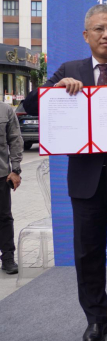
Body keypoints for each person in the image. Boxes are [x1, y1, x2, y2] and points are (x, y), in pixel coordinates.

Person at [23, 4, 107, 341]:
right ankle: (97, 319)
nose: (106, 35)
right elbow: (30, 104)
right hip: (85, 181)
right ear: (86, 35)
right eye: (99, 29)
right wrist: (55, 90)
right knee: (88, 254)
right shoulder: (69, 70)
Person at [0, 102, 22, 276]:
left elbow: (15, 139)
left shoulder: (5, 110)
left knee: (4, 218)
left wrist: (15, 170)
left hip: (1, 174)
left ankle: (8, 258)